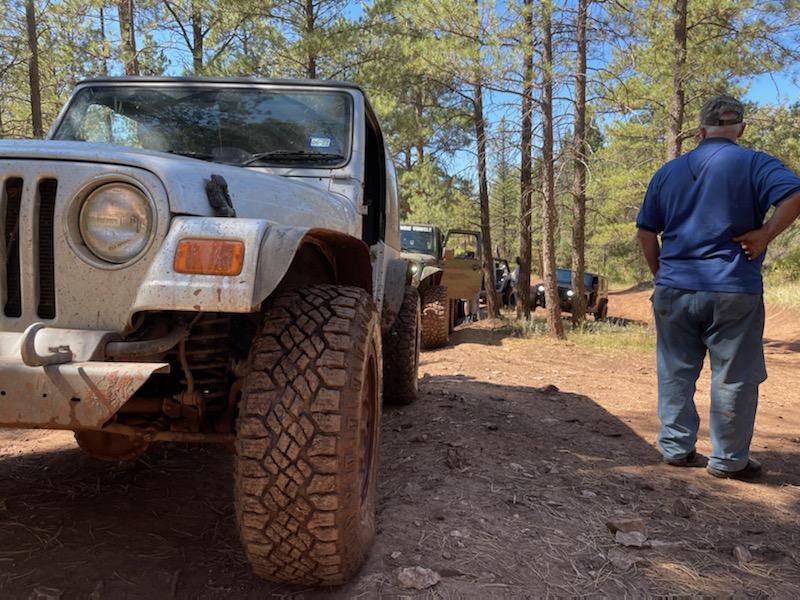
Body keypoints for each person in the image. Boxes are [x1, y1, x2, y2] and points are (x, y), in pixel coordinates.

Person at [636, 94, 800, 481]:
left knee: (675, 371)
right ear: (740, 129)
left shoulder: (669, 172)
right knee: (733, 376)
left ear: (700, 131)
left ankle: (676, 448)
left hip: (675, 288)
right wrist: (765, 234)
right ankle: (727, 461)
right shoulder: (756, 163)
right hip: (733, 288)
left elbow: (646, 231)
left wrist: (662, 274)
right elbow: (794, 195)